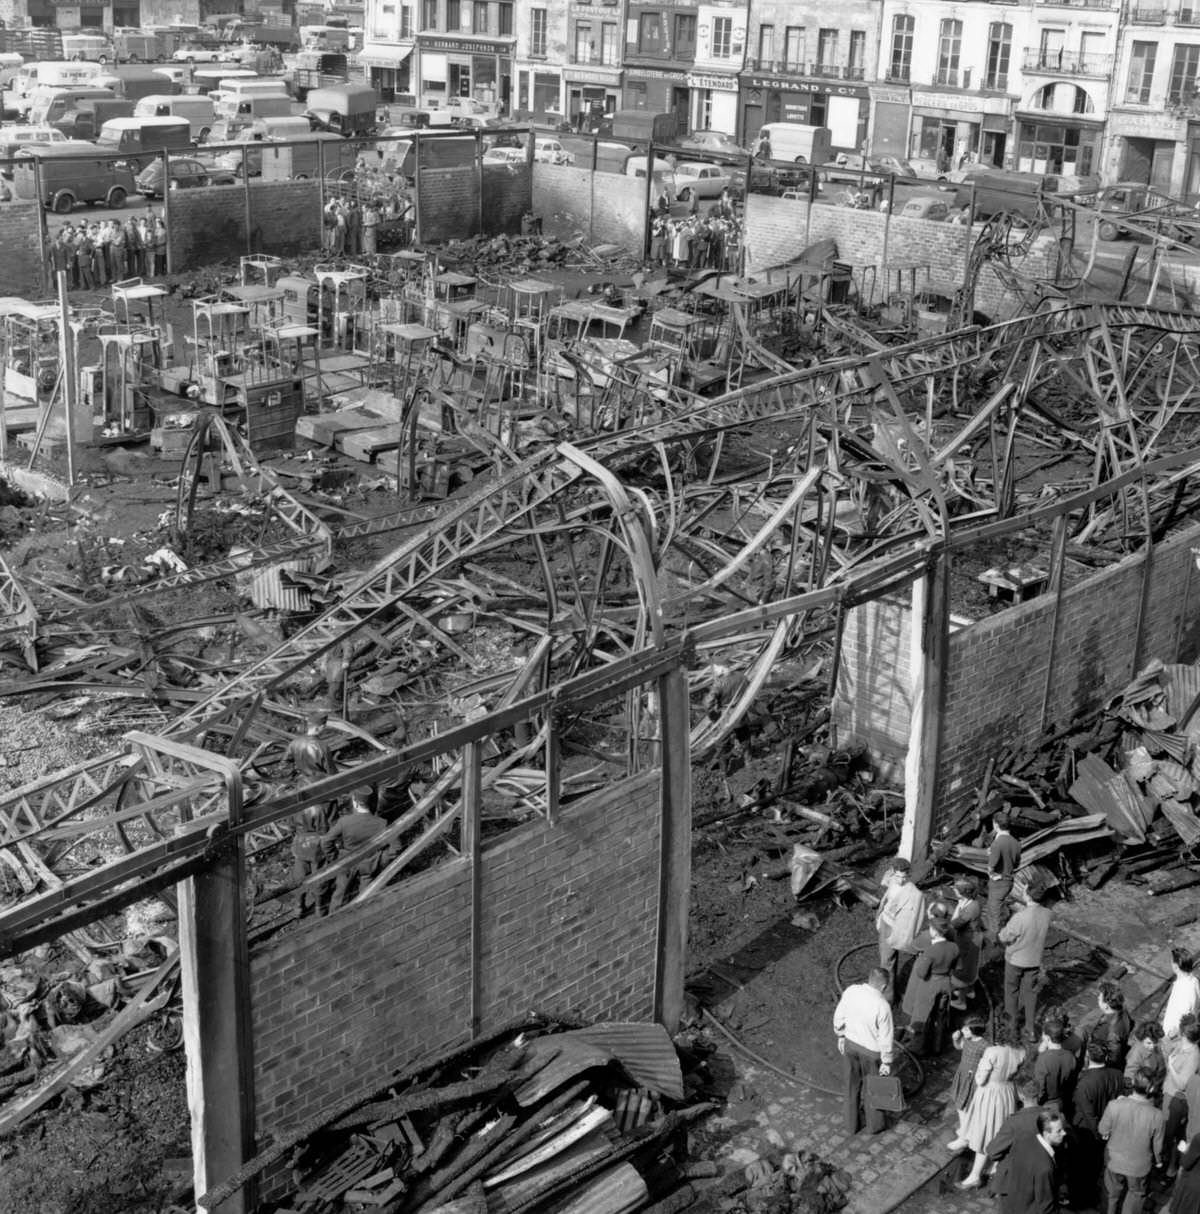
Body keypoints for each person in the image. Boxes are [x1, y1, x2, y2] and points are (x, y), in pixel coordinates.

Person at [958, 1015, 1028, 1188]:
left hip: (989, 1094)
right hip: (1007, 1092)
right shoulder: (1021, 1052)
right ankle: (994, 1166)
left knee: (984, 1132)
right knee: (998, 1130)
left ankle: (975, 1175)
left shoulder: (992, 1052)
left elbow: (980, 1079)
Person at [832, 965, 895, 1135]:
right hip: (871, 1053)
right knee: (874, 1087)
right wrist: (887, 1061)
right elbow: (886, 1037)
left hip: (851, 1045)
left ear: (869, 979)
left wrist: (841, 1035)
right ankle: (875, 1125)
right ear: (883, 986)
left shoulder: (851, 991)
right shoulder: (882, 1006)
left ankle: (851, 1125)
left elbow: (839, 1016)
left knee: (851, 1085)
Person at [1099, 1067, 1165, 1214]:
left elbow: (1102, 1129)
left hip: (1113, 1161)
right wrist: (1159, 1161)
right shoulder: (1157, 1115)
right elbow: (1157, 1146)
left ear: (1133, 1082)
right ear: (1151, 1088)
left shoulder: (1114, 1105)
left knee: (1112, 1194)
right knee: (1135, 1195)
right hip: (1139, 1166)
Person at [1072, 1040, 1126, 1208]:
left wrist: (1098, 1133)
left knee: (1081, 1167)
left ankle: (1080, 1200)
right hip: (1108, 1128)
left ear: (1088, 1056)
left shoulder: (1084, 1083)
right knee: (1096, 1165)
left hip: (1087, 1131)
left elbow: (1088, 1114)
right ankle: (1093, 1193)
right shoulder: (1117, 1075)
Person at [984, 1071, 1050, 1205]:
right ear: (1039, 1093)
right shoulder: (1053, 1116)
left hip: (1017, 1179)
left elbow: (992, 1151)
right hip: (1045, 1176)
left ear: (1021, 1096)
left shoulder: (1014, 1122)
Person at [320, 784, 389, 911]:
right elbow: (396, 847)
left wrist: (335, 858)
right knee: (367, 896)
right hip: (369, 864)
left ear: (355, 802)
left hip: (347, 863)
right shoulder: (381, 823)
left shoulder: (344, 821)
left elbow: (326, 841)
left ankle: (334, 920)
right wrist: (381, 859)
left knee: (340, 896)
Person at [999, 879, 1052, 1042]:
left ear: (1028, 895)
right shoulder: (1047, 913)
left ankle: (1012, 1026)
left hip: (1015, 960)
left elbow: (1004, 937)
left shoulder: (1020, 917)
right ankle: (1030, 1030)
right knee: (1030, 994)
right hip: (1034, 961)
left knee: (1011, 991)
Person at [900, 914, 958, 1055]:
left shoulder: (930, 951)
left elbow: (921, 973)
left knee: (921, 1016)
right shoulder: (954, 947)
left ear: (934, 931)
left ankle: (917, 1047)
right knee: (940, 1014)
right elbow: (955, 966)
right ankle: (937, 1045)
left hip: (930, 984)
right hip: (946, 983)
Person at [995, 1110, 1066, 1214]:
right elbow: (1046, 1207)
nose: (1064, 1133)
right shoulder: (1045, 1167)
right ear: (1046, 1134)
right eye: (1059, 1131)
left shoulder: (1024, 1138)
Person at [876, 856, 924, 993]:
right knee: (887, 958)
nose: (902, 880)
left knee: (886, 963)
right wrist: (881, 919)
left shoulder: (914, 893)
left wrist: (908, 935)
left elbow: (917, 918)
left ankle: (887, 997)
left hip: (896, 928)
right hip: (885, 923)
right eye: (899, 876)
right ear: (892, 872)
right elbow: (885, 892)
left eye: (905, 877)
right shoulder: (891, 880)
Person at [947, 1013, 989, 1151]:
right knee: (960, 1106)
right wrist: (955, 1040)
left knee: (964, 1108)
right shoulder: (967, 1039)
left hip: (972, 1081)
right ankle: (966, 1130)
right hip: (962, 1076)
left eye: (966, 1029)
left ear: (974, 1031)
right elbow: (960, 1047)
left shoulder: (984, 1046)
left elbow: (989, 1063)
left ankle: (964, 1138)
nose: (962, 1031)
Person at [1164, 1017, 1200, 1178]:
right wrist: (1168, 1038)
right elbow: (1166, 1048)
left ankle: (1169, 1168)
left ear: (1184, 1033)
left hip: (1176, 1099)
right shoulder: (1182, 1044)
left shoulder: (1193, 1055)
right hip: (1169, 1095)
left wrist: (1171, 1066)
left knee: (1171, 1135)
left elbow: (1182, 1084)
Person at [986, 808, 1021, 946]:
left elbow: (991, 867)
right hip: (1009, 881)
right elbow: (1016, 863)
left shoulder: (997, 843)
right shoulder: (1016, 843)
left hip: (998, 883)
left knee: (993, 912)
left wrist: (992, 875)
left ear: (995, 824)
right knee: (998, 908)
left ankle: (995, 942)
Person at [1035, 1010, 1079, 1117]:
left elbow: (1040, 1085)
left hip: (1046, 1102)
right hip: (1062, 1099)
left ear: (1047, 1037)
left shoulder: (1043, 1059)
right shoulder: (1070, 1056)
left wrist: (1038, 1100)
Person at [949, 875, 982, 1008]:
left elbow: (954, 923)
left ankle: (961, 1001)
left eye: (956, 890)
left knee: (963, 969)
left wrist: (957, 908)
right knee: (971, 966)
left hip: (968, 940)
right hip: (971, 937)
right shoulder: (973, 902)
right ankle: (970, 991)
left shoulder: (969, 908)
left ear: (962, 893)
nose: (954, 891)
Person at [1088, 981, 1134, 1072]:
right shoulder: (1122, 1010)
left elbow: (1114, 1056)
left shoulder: (1112, 1030)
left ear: (1106, 1006)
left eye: (1099, 998)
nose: (1097, 998)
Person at [291, 804, 327, 918]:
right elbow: (323, 829)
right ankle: (319, 907)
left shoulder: (293, 808)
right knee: (318, 876)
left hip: (300, 843)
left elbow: (291, 828)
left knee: (300, 876)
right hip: (316, 846)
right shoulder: (318, 808)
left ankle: (298, 907)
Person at [1165, 948, 1200, 1043]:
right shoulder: (1194, 980)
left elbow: (1183, 1017)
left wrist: (1170, 1035)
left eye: (1171, 962)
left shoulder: (1184, 989)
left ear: (1176, 966)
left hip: (1174, 1035)